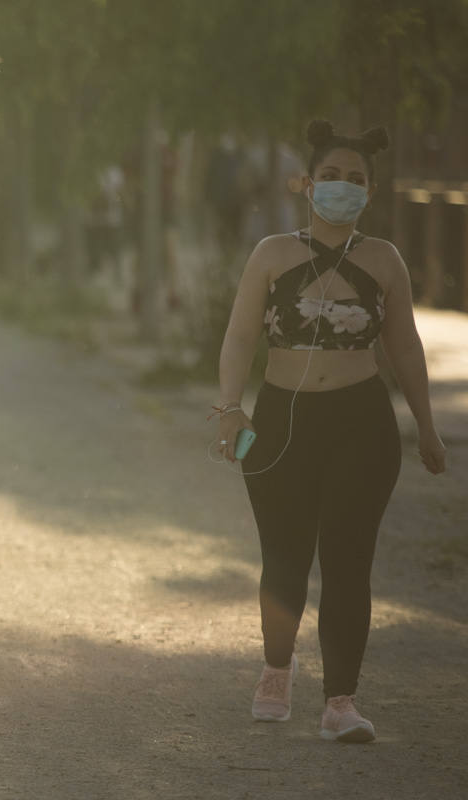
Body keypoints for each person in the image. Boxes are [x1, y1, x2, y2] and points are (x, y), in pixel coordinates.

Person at [215, 120, 447, 744]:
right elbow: (239, 336)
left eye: (355, 180)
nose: (341, 188)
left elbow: (406, 347)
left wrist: (426, 427)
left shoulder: (384, 261)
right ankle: (275, 672)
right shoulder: (270, 255)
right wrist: (229, 408)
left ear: (370, 192)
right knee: (284, 557)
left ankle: (341, 702)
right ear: (305, 184)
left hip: (361, 425)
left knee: (348, 562)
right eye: (331, 177)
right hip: (277, 423)